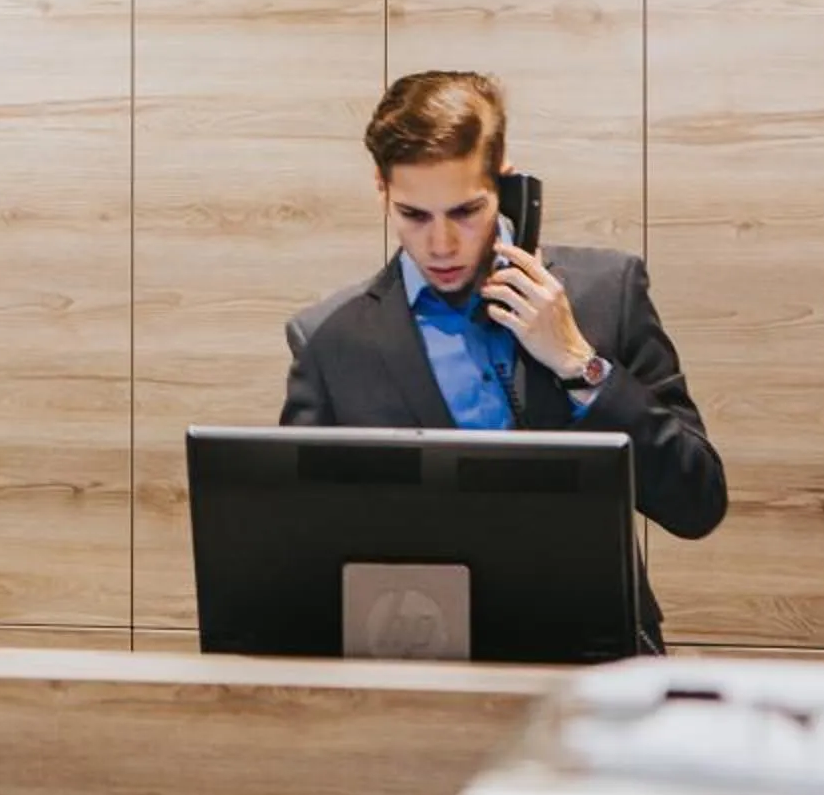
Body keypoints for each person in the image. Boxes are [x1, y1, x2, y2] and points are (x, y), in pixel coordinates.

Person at [281, 70, 726, 653]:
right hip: (424, 668)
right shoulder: (329, 341)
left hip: (596, 665)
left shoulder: (605, 292)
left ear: (506, 184)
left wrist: (580, 364)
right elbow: (302, 556)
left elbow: (697, 503)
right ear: (382, 190)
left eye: (465, 211)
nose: (441, 245)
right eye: (414, 215)